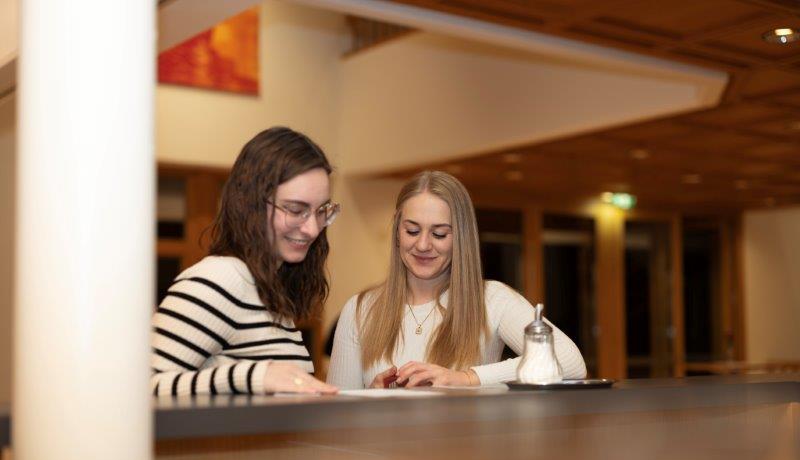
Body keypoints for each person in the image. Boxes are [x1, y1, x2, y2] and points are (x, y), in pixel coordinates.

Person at [327, 170, 586, 389]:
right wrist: (371, 397)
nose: (423, 244)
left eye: (439, 234)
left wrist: (467, 378)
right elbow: (337, 417)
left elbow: (571, 363)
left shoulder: (492, 300)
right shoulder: (360, 309)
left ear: (461, 237)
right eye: (412, 231)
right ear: (397, 230)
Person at [151, 127, 339, 396]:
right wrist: (254, 376)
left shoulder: (266, 288)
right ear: (250, 204)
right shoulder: (221, 278)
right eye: (296, 210)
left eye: (321, 211)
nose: (312, 229)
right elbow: (141, 389)